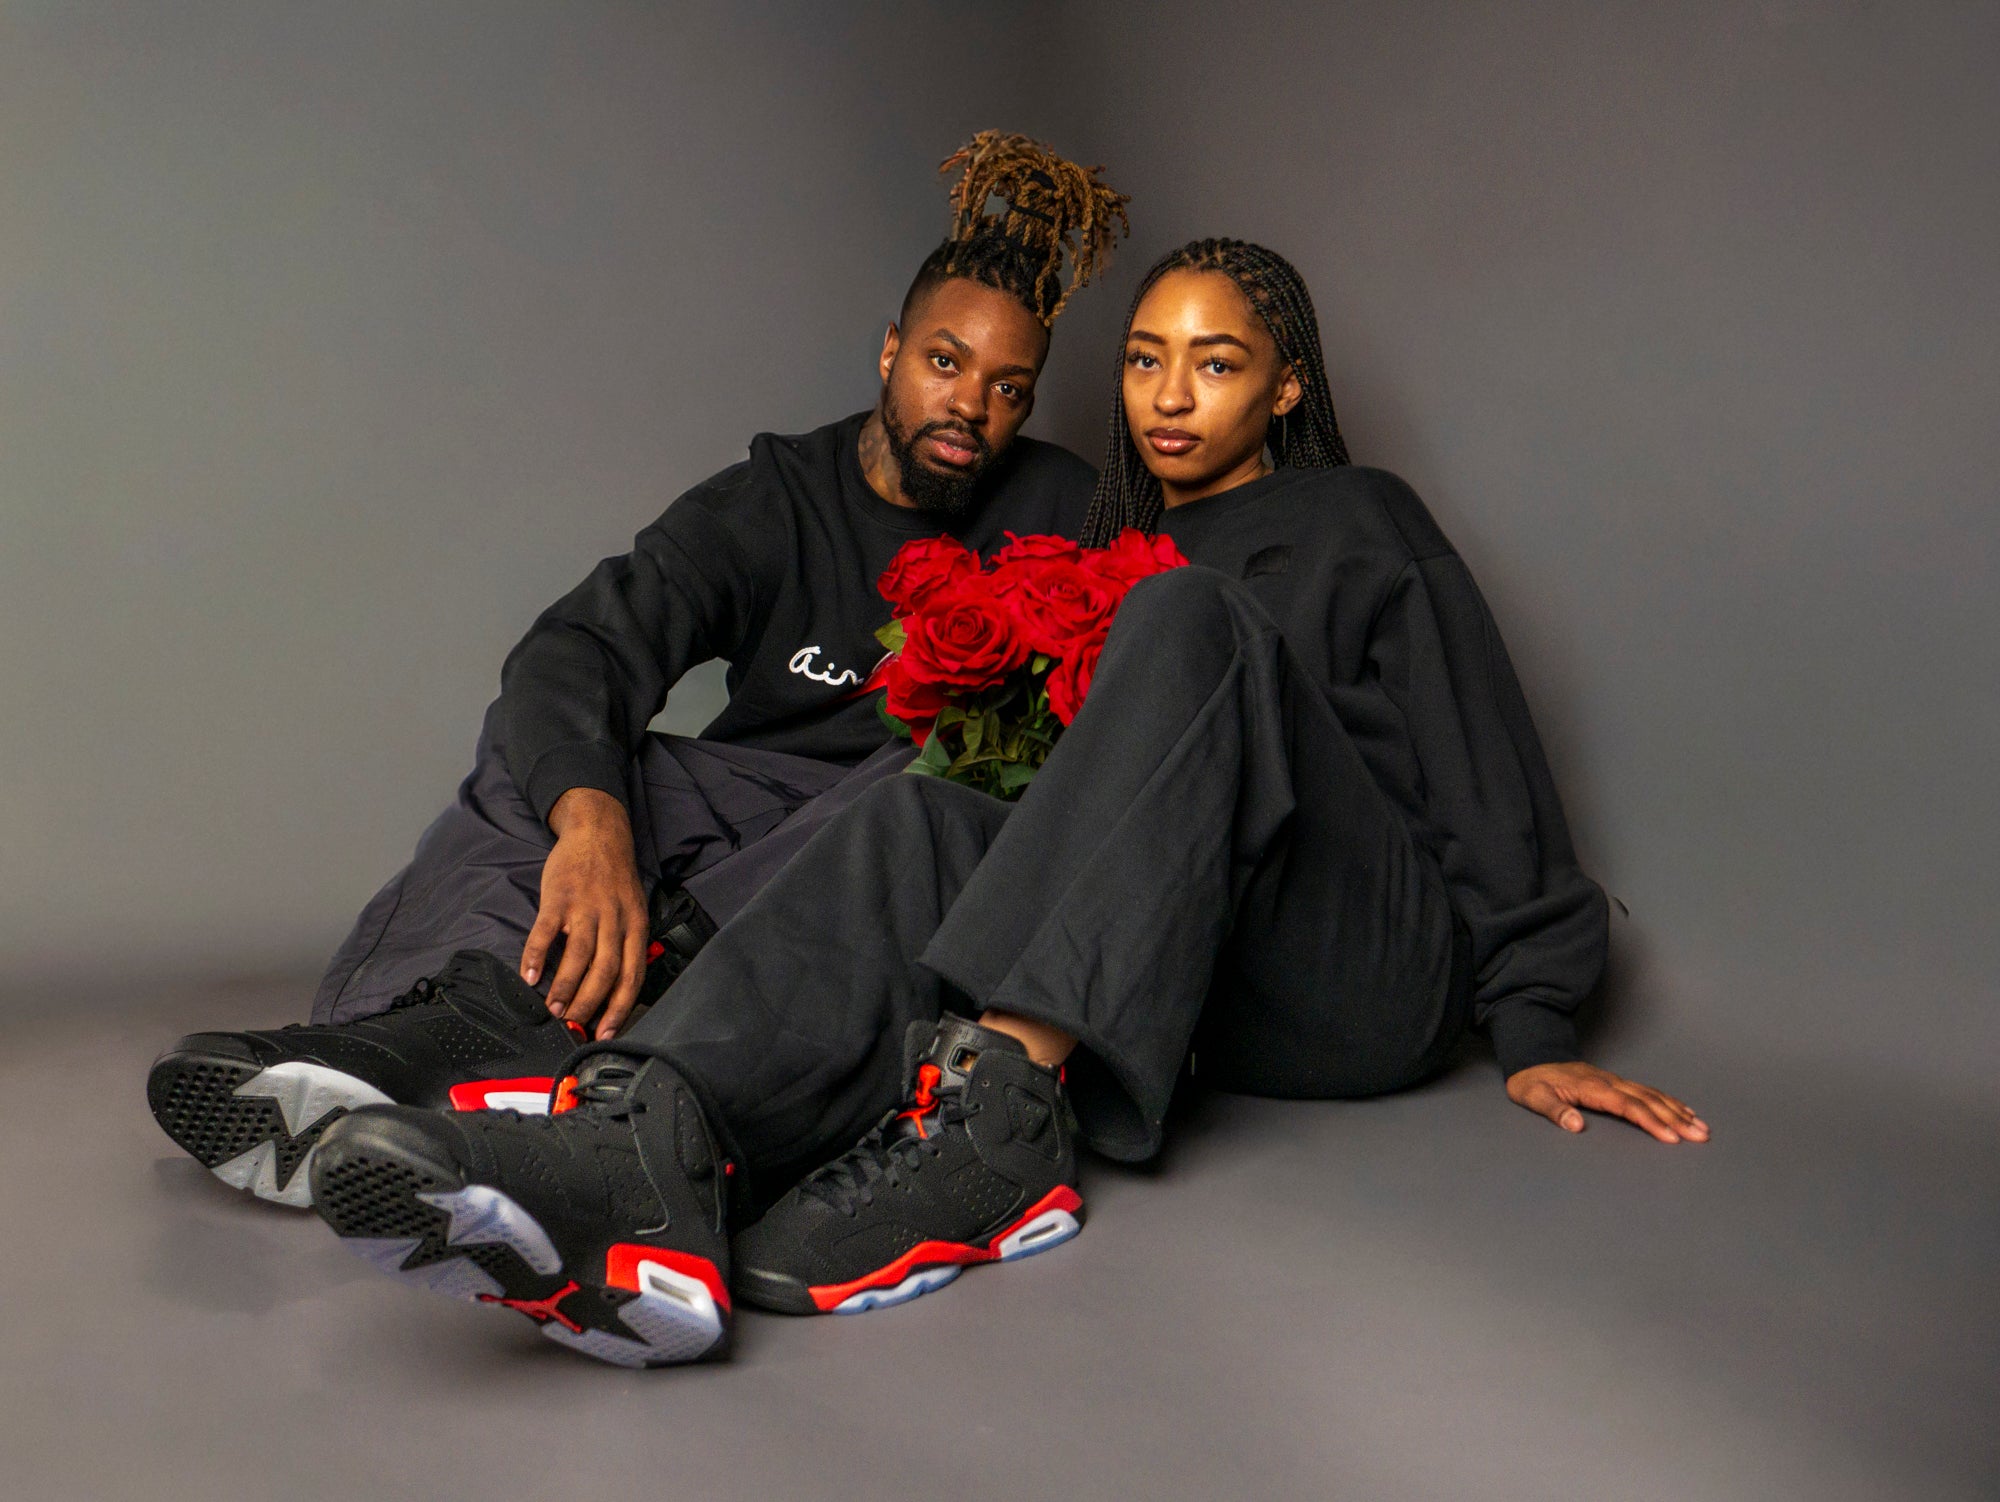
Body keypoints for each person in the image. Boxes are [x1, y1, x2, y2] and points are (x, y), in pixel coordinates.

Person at [299, 238, 1706, 1369]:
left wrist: (1532, 1021)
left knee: (1186, 616)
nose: (1168, 394)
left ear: (1283, 391)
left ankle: (1001, 1123)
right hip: (1201, 991)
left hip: (1361, 966)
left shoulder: (1358, 518)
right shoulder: (1099, 532)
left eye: (1215, 365)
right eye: (1147, 360)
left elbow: (1483, 763)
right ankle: (650, 1144)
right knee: (922, 807)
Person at [144, 133, 1130, 1207]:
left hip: (884, 854)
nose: (969, 408)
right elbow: (582, 645)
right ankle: (403, 1039)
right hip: (743, 808)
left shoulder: (1064, 508)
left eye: (1008, 388)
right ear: (891, 350)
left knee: (916, 783)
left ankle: (537, 1051)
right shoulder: (776, 497)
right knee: (553, 765)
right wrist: (594, 825)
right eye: (946, 362)